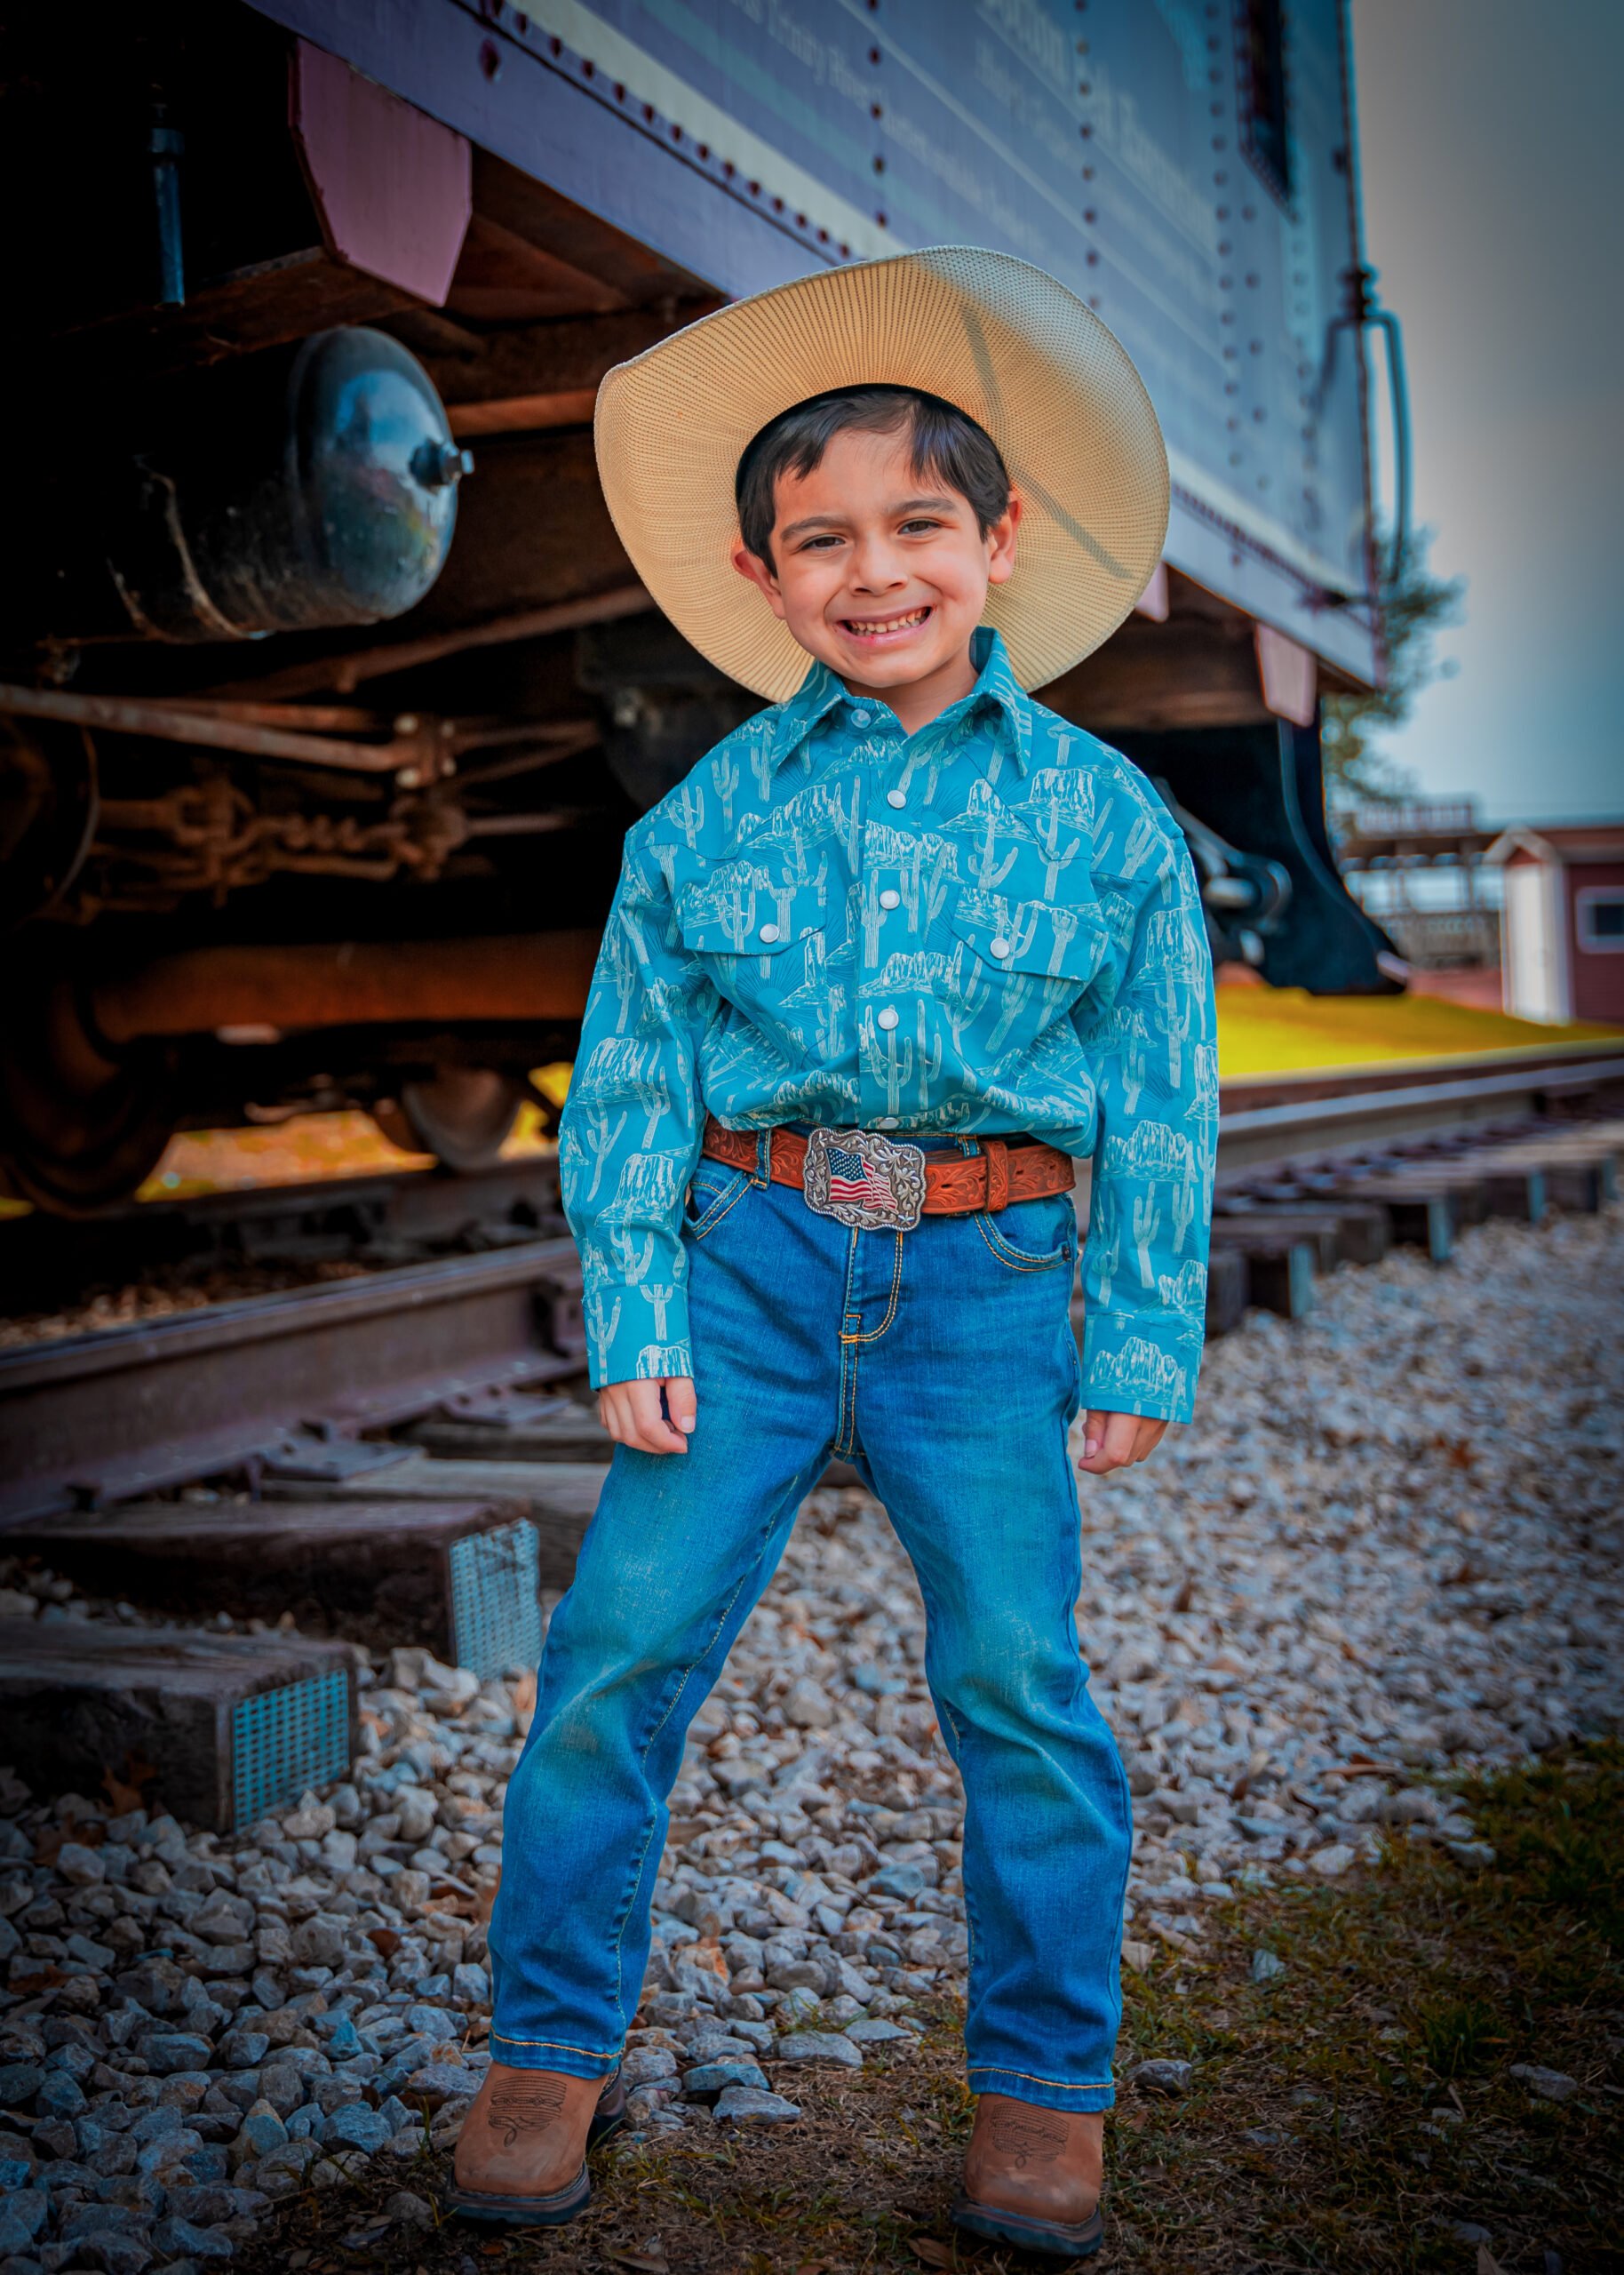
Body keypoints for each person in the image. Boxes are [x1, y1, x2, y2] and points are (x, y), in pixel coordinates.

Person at [450, 247, 1217, 2258]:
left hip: (987, 1284)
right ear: (763, 574)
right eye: (822, 541)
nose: (874, 571)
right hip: (751, 1270)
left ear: (998, 542)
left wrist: (1137, 1335)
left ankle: (1043, 2092)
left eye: (916, 527)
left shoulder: (1108, 819)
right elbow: (627, 1080)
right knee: (615, 1657)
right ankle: (545, 2052)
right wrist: (636, 1299)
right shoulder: (700, 820)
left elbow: (1160, 1094)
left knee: (1019, 1680)